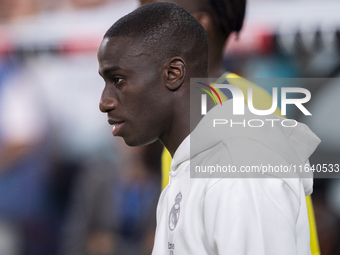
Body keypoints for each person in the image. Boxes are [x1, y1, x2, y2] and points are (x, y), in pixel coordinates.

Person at [98, 3, 320, 254]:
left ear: (173, 73)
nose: (103, 102)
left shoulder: (239, 170)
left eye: (118, 80)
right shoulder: (188, 154)